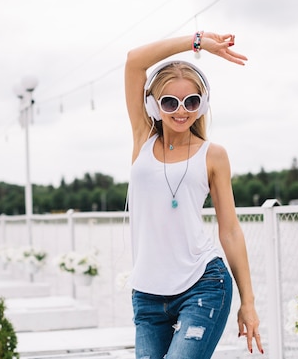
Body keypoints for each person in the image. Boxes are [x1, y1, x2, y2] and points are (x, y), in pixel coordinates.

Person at [124, 31, 263, 358]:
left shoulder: (212, 155)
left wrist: (249, 302)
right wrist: (196, 42)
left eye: (191, 101)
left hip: (203, 285)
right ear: (154, 105)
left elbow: (229, 229)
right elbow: (133, 62)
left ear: (202, 105)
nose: (180, 110)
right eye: (169, 102)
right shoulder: (143, 138)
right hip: (147, 294)